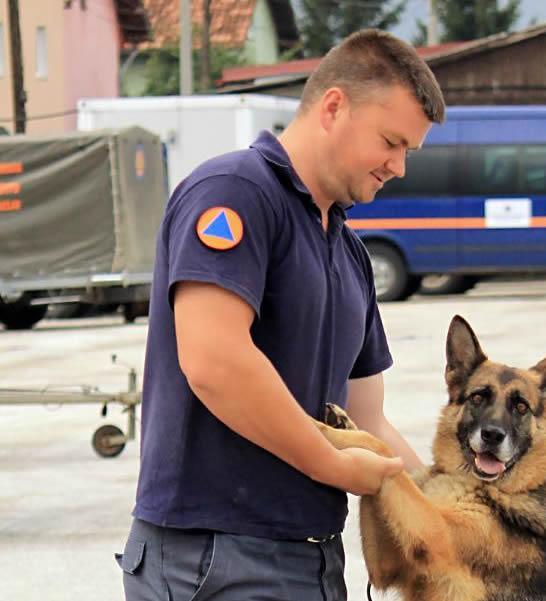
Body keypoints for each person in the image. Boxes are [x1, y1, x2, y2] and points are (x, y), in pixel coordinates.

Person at [115, 29, 446, 601]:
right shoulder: (235, 193)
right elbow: (214, 360)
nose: (398, 166)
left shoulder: (350, 253)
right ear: (334, 106)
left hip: (310, 558)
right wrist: (333, 467)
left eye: (407, 152)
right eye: (390, 141)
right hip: (216, 555)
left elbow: (369, 424)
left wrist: (451, 519)